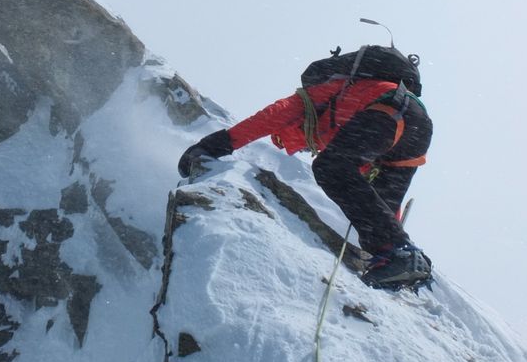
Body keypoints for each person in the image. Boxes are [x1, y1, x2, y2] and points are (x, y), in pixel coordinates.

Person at [177, 45, 433, 289]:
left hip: (388, 109)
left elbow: (267, 118)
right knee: (364, 197)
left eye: (283, 139)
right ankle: (399, 258)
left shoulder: (313, 100)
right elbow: (379, 199)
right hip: (417, 127)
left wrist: (214, 145)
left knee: (329, 167)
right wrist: (393, 227)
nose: (293, 147)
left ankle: (399, 253)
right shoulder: (342, 118)